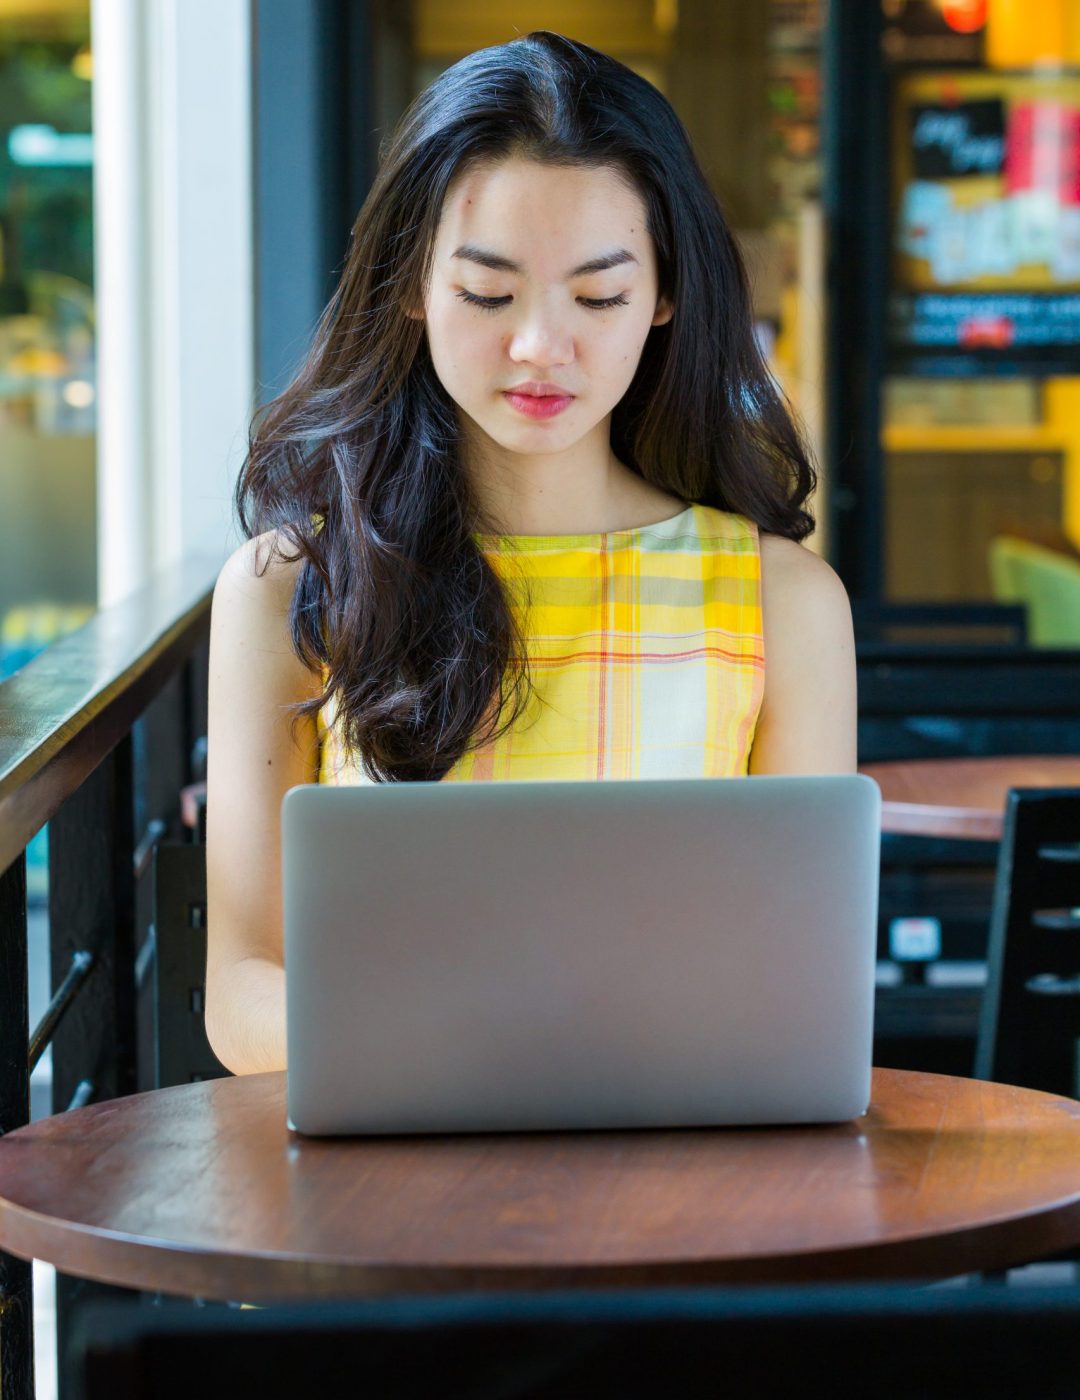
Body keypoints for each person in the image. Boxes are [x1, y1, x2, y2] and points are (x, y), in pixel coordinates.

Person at [204, 31, 856, 1077]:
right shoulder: (293, 587)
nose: (540, 346)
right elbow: (241, 993)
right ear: (411, 287)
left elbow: (805, 982)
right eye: (488, 293)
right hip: (390, 1186)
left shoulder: (783, 602)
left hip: (686, 1183)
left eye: (597, 295)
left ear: (666, 293)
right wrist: (487, 1053)